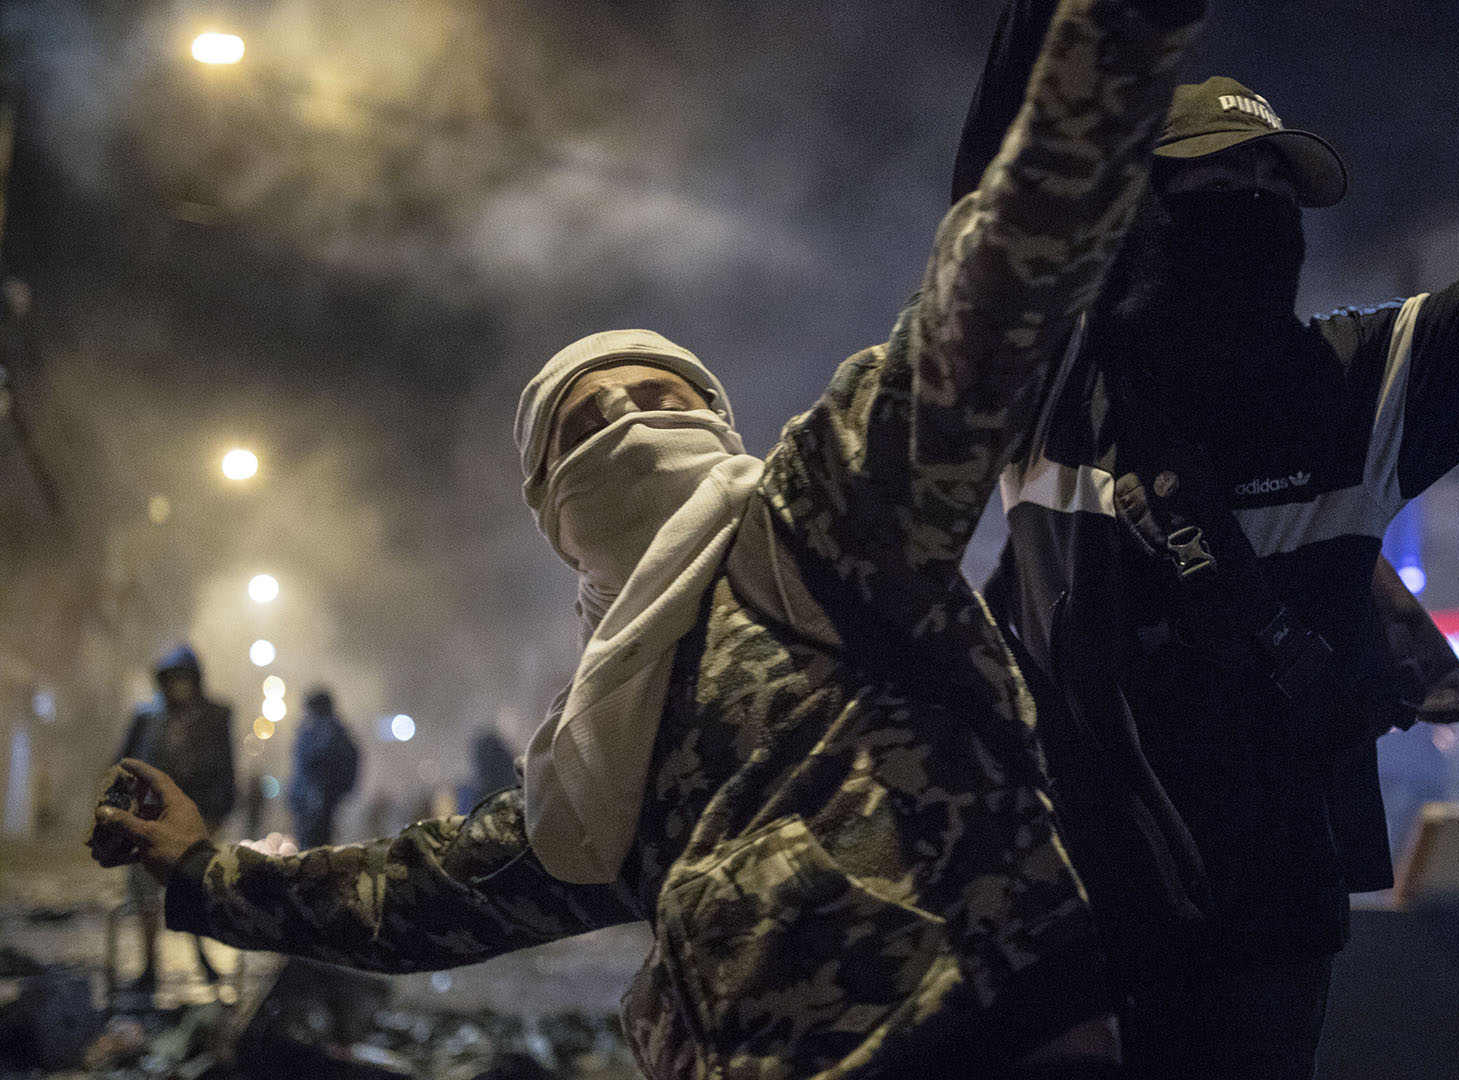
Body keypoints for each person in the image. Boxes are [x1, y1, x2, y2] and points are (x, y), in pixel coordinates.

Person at [89, 1, 1206, 1076]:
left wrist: (1113, 34)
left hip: (990, 1043)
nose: (627, 418)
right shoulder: (598, 748)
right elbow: (423, 894)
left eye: (659, 395)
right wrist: (201, 871)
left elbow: (1002, 274)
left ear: (719, 424)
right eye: (585, 421)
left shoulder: (822, 516)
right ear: (555, 514)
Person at [949, 1, 1459, 1075]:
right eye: (1222, 181)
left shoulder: (1365, 384)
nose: (1260, 205)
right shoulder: (1053, 374)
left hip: (1263, 946)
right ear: (1141, 206)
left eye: (1279, 190)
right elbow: (993, 211)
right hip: (1056, 928)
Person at [113, 644, 236, 992]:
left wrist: (216, 815)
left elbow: (225, 772)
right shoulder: (147, 717)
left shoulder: (215, 716)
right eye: (173, 679)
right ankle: (149, 967)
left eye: (185, 678)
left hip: (192, 819)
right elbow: (123, 763)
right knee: (144, 893)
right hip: (145, 818)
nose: (179, 686)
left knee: (191, 889)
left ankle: (202, 957)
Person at [287, 688, 360, 848]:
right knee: (318, 845)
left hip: (315, 799)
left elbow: (310, 764)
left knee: (312, 848)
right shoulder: (334, 731)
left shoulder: (323, 731)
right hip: (317, 798)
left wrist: (317, 793)